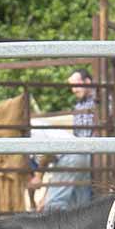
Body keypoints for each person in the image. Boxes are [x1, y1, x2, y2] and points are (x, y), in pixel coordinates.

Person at [34, 68, 97, 212]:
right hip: (82, 152)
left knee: (61, 201)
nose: (74, 90)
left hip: (90, 152)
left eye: (77, 85)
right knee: (81, 201)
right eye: (72, 86)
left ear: (87, 81)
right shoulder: (79, 106)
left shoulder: (99, 100)